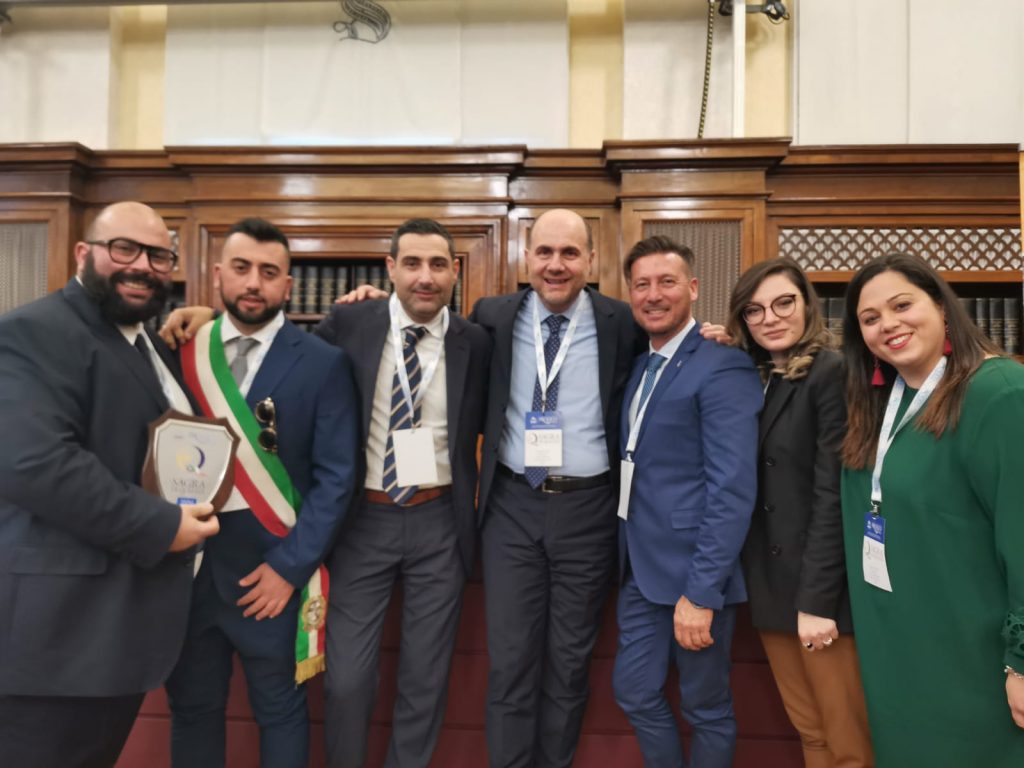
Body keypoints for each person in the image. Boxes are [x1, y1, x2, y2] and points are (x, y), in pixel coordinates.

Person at [0, 201, 219, 767]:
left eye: (158, 256)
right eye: (125, 249)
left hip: (112, 636)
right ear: (84, 253)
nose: (142, 266)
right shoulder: (33, 331)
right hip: (57, 641)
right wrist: (161, 526)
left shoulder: (144, 341)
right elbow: (36, 464)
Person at [164, 218, 360, 768]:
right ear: (219, 274)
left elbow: (336, 478)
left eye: (269, 273)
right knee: (193, 711)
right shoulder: (179, 351)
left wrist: (289, 568)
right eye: (243, 268)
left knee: (280, 713)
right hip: (189, 573)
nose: (255, 283)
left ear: (288, 286)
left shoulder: (324, 363)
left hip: (267, 578)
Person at [470, 209, 641, 767]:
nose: (556, 265)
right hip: (512, 506)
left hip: (589, 508)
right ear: (526, 258)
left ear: (591, 260)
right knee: (511, 662)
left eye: (570, 253)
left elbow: (674, 356)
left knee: (569, 664)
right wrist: (367, 304)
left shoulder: (625, 322)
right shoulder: (491, 317)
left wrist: (714, 334)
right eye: (544, 252)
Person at [316, 219, 489, 768]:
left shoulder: (476, 342)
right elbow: (284, 361)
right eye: (411, 263)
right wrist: (204, 320)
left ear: (454, 273)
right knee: (347, 677)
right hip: (362, 521)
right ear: (389, 268)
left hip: (439, 521)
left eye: (438, 265)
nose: (425, 277)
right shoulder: (348, 322)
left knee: (424, 676)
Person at [840, 251, 1024, 766]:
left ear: (942, 306)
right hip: (899, 649)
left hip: (976, 659)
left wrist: (1022, 663)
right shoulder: (880, 402)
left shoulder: (999, 393)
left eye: (902, 305)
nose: (888, 325)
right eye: (870, 319)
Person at [703, 257, 873, 767]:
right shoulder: (761, 374)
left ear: (807, 305)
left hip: (821, 596)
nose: (771, 318)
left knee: (848, 742)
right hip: (773, 585)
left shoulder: (833, 370)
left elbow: (833, 493)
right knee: (812, 732)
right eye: (754, 311)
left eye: (784, 303)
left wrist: (817, 601)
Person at [612, 235, 761, 768]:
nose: (654, 295)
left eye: (667, 282)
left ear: (693, 288)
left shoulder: (722, 365)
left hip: (696, 574)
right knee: (633, 690)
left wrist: (702, 592)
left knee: (705, 707)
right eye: (642, 284)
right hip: (639, 567)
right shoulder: (640, 365)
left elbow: (732, 487)